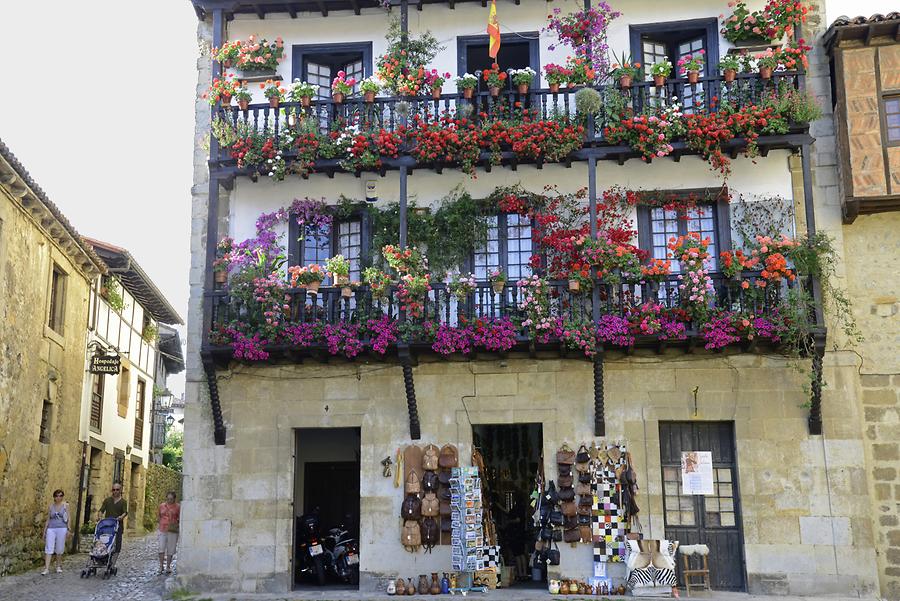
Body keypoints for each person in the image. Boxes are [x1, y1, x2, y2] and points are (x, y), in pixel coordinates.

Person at [98, 482, 128, 567]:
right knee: (105, 543)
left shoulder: (123, 502)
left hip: (118, 526)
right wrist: (99, 516)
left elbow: (125, 512)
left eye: (117, 490)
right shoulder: (107, 501)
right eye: (114, 490)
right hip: (107, 526)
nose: (115, 491)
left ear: (120, 490)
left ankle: (113, 563)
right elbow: (101, 510)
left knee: (117, 546)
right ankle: (104, 559)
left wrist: (121, 517)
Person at [41, 489, 71, 575]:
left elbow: (69, 518)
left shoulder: (66, 506)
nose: (59, 497)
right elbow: (48, 519)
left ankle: (58, 566)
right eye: (57, 496)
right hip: (51, 528)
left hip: (62, 528)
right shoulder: (51, 507)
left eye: (61, 495)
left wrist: (69, 529)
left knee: (59, 548)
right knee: (49, 547)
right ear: (54, 497)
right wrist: (44, 531)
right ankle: (46, 568)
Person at [157, 491, 180, 575]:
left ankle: (168, 566)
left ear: (174, 499)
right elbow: (159, 515)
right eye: (168, 499)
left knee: (171, 549)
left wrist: (175, 523)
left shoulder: (178, 507)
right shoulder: (162, 506)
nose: (169, 500)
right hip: (162, 529)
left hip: (172, 530)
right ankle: (161, 565)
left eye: (171, 499)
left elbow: (179, 517)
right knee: (161, 547)